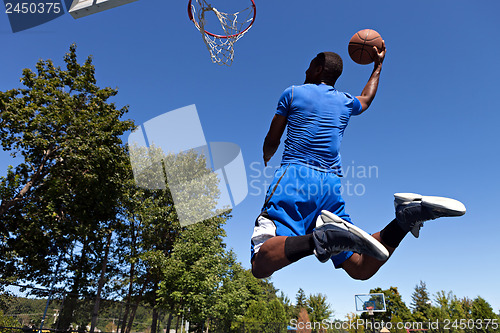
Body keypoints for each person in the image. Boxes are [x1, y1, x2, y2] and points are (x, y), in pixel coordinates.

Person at [250, 42, 465, 279]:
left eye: (309, 67)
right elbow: (367, 98)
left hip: (295, 178)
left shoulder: (292, 93)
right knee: (360, 268)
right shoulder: (344, 101)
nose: (305, 72)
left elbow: (272, 139)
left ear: (319, 68)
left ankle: (323, 237)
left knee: (260, 264)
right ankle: (406, 219)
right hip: (330, 187)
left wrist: (266, 154)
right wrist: (378, 65)